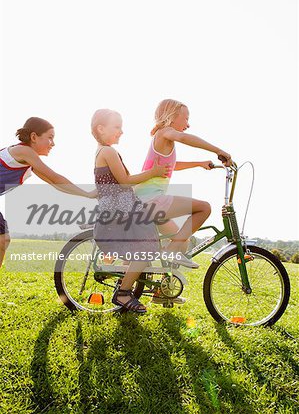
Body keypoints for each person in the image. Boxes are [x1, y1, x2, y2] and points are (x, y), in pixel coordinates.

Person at [134, 99, 233, 303]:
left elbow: (172, 165)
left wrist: (198, 163)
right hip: (150, 201)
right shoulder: (165, 133)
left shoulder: (164, 141)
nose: (187, 124)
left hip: (150, 202)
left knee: (182, 240)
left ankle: (161, 292)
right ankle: (170, 253)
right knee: (204, 208)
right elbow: (184, 137)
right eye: (185, 118)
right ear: (171, 115)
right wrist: (218, 150)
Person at [91, 108, 171, 314]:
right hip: (121, 212)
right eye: (117, 127)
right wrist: (152, 172)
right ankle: (124, 292)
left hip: (122, 209)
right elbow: (125, 181)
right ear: (101, 128)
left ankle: (127, 284)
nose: (121, 131)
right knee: (147, 249)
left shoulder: (103, 151)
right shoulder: (108, 151)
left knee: (145, 247)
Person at [0, 117, 96, 268]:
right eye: (50, 138)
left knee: (3, 239)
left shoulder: (28, 161)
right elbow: (55, 177)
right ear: (33, 137)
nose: (53, 144)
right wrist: (87, 193)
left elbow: (55, 183)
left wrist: (86, 194)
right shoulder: (25, 151)